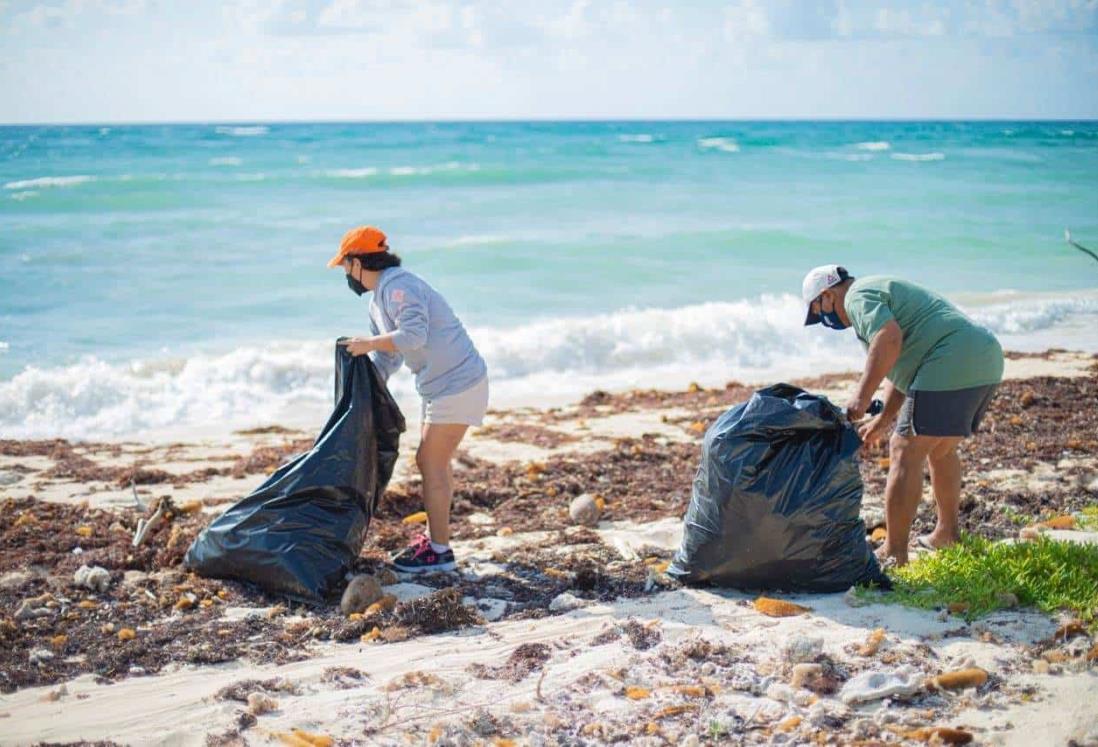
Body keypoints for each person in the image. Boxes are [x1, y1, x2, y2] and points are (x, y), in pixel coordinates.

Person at [801, 265, 1003, 566]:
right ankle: (947, 534)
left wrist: (861, 396)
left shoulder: (856, 297)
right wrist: (882, 420)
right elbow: (899, 366)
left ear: (827, 294)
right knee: (941, 448)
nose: (823, 320)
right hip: (985, 358)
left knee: (903, 448)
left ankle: (895, 552)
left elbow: (888, 339)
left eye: (818, 312)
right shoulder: (877, 289)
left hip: (950, 358)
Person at [328, 225, 488, 574]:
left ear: (358, 263)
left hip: (459, 382)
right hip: (438, 386)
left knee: (429, 462)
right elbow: (391, 357)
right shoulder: (378, 302)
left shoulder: (400, 286)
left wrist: (369, 344)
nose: (345, 275)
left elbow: (412, 336)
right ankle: (437, 543)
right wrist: (367, 390)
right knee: (434, 463)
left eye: (344, 267)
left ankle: (440, 552)